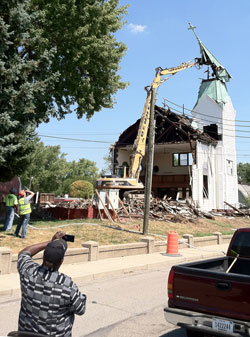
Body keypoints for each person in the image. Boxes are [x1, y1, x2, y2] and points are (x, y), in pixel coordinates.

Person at [17, 231, 86, 336]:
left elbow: (24, 253)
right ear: (61, 261)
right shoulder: (67, 285)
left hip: (25, 334)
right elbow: (81, 309)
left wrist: (50, 242)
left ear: (43, 257)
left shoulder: (28, 272)